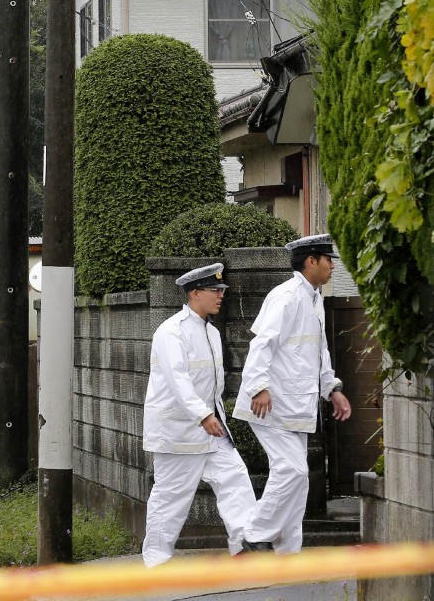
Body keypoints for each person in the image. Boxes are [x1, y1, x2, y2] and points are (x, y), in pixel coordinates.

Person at [233, 234, 352, 553]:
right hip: (269, 406)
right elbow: (261, 343)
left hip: (294, 408)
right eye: (328, 260)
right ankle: (255, 534)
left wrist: (333, 389)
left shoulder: (313, 299)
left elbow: (319, 352)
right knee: (293, 470)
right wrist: (258, 387)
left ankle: (288, 552)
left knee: (298, 481)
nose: (331, 266)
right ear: (310, 261)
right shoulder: (285, 296)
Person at [141, 264, 256, 567]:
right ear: (195, 293)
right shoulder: (171, 332)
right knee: (170, 499)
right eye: (215, 290)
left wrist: (213, 416)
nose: (221, 296)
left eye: (221, 291)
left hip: (210, 430)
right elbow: (179, 381)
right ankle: (156, 562)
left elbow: (213, 384)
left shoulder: (211, 333)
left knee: (235, 479)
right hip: (178, 431)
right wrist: (203, 415)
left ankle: (245, 545)